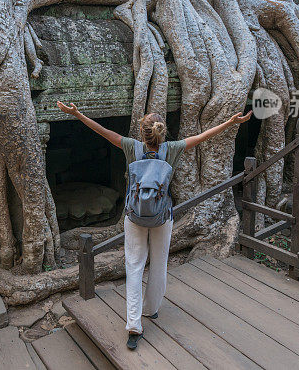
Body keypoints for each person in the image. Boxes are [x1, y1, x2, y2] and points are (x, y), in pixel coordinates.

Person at [56, 101, 252, 350]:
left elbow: (104, 132)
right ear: (162, 131)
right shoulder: (172, 149)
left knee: (134, 266)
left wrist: (77, 114)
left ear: (142, 132)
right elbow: (203, 136)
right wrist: (231, 123)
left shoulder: (131, 147)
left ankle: (134, 325)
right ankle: (151, 309)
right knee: (159, 264)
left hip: (134, 217)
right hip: (162, 217)